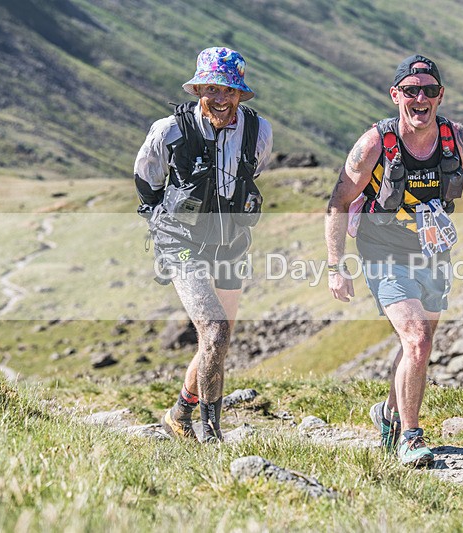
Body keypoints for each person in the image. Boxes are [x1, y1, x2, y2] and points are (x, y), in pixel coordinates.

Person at [325, 54, 463, 466]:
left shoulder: (457, 139)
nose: (421, 98)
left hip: (435, 250)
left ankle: (388, 414)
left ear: (440, 96)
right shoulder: (374, 144)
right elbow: (338, 201)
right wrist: (336, 265)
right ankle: (411, 437)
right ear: (395, 95)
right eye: (412, 91)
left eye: (430, 91)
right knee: (417, 338)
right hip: (381, 249)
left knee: (417, 344)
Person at [134, 47, 273, 442]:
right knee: (214, 331)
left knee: (220, 336)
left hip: (231, 240)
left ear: (239, 94)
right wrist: (163, 227)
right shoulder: (169, 131)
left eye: (228, 90)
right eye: (211, 88)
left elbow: (254, 172)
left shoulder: (258, 130)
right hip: (182, 243)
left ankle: (179, 414)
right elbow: (147, 181)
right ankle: (211, 434)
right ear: (198, 89)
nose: (220, 98)